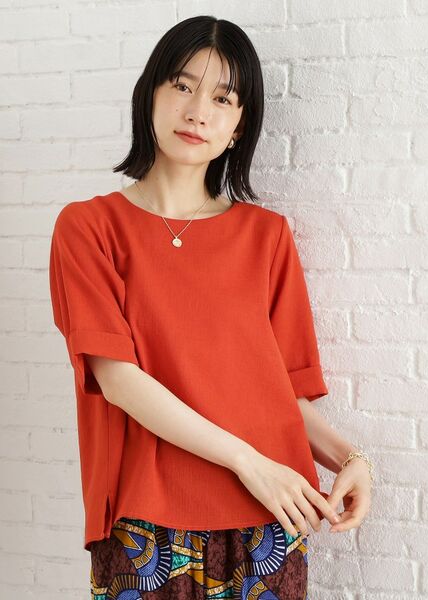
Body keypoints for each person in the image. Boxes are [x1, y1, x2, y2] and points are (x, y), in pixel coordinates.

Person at [48, 15, 374, 599]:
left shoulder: (267, 237)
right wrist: (249, 462)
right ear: (149, 95)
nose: (198, 111)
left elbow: (284, 396)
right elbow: (117, 379)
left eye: (223, 98)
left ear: (238, 126)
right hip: (145, 523)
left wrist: (352, 458)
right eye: (182, 85)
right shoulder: (90, 228)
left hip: (269, 518)